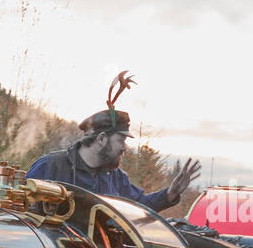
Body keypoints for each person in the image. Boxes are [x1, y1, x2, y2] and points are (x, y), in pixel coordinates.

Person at [27, 71, 200, 213]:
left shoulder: (116, 178)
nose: (124, 147)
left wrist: (170, 193)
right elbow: (23, 209)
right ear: (101, 139)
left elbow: (139, 208)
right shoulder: (51, 166)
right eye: (121, 140)